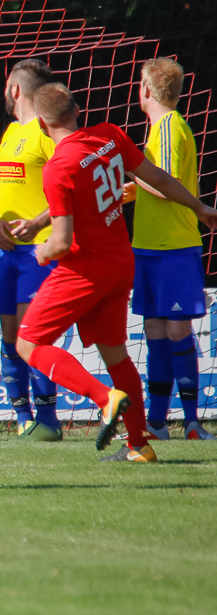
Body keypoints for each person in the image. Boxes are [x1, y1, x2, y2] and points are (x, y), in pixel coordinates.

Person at [15, 83, 217, 463]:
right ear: (77, 110)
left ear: (41, 123)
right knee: (117, 356)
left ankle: (104, 398)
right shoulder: (109, 136)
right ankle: (139, 445)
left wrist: (41, 253)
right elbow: (158, 178)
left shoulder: (58, 166)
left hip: (83, 269)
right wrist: (198, 206)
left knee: (28, 344)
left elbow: (61, 242)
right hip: (120, 262)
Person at [0, 59, 64, 441]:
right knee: (10, 336)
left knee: (34, 335)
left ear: (15, 89)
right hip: (6, 252)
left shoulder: (47, 132)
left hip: (37, 252)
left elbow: (70, 185)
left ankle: (48, 419)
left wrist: (39, 222)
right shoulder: (12, 132)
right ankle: (23, 417)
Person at [128, 58, 213, 440]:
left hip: (173, 246)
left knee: (177, 331)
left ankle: (192, 422)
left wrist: (131, 170)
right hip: (150, 246)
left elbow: (166, 182)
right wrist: (134, 189)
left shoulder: (166, 127)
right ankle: (158, 422)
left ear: (146, 90)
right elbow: (161, 182)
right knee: (155, 331)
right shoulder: (166, 127)